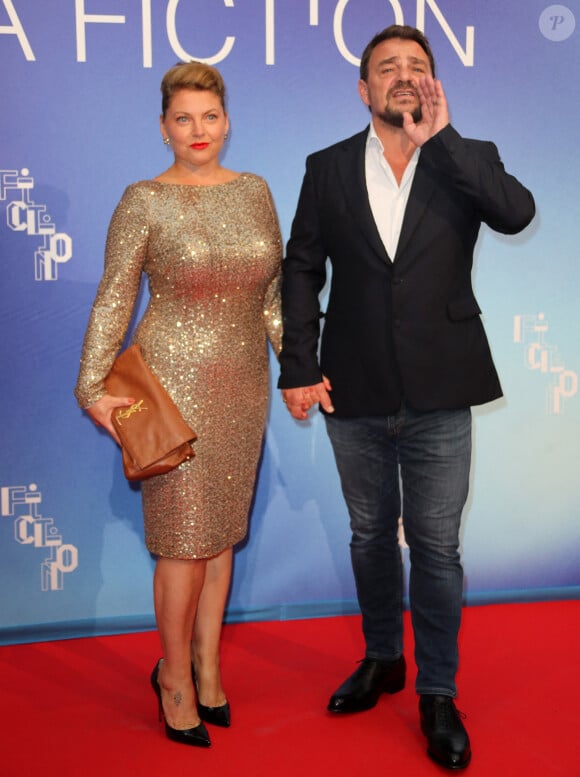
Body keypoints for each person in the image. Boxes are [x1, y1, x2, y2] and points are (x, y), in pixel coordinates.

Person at [278, 24, 535, 770]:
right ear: (362, 89)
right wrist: (299, 362)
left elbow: (515, 214)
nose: (401, 76)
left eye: (415, 67)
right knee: (368, 535)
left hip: (441, 386)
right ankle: (384, 657)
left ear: (431, 84)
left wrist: (442, 138)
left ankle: (437, 692)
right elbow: (302, 268)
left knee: (437, 547)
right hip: (350, 385)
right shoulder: (325, 168)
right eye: (386, 67)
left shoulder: (466, 157)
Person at [75, 61, 282, 748]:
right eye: (183, 119)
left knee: (220, 536)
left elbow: (272, 298)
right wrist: (92, 385)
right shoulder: (143, 200)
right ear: (163, 127)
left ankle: (207, 665)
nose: (199, 130)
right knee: (183, 545)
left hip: (244, 384)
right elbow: (113, 295)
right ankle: (172, 678)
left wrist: (304, 368)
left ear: (227, 121)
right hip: (171, 387)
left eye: (210, 116)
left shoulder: (255, 192)